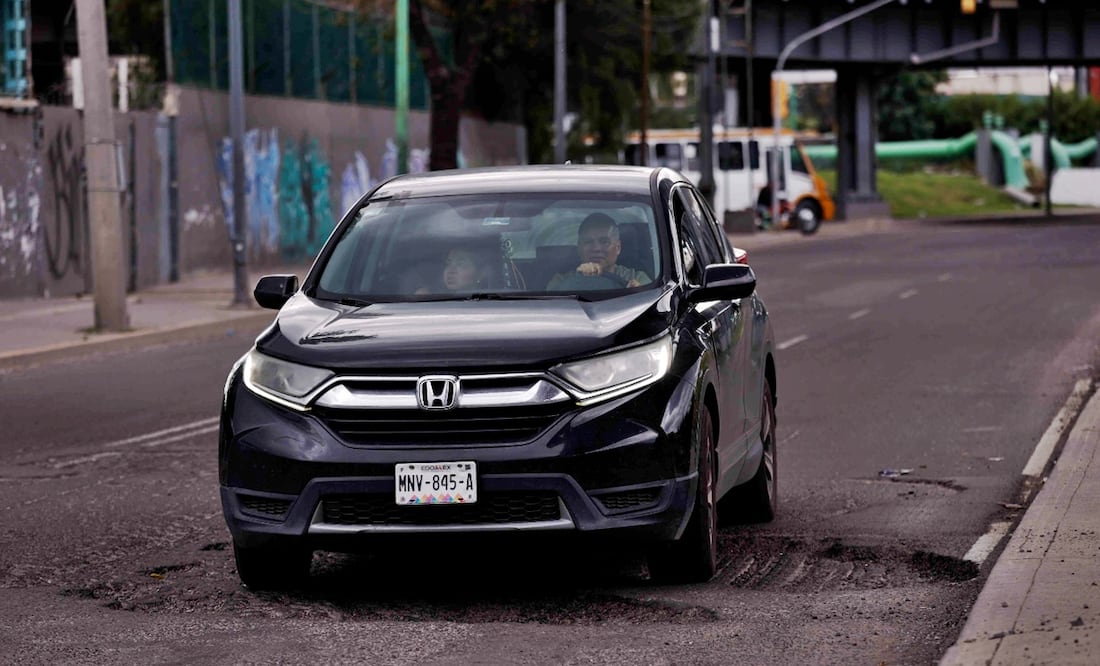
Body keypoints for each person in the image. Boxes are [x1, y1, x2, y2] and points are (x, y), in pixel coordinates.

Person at [546, 213, 651, 289]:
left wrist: (637, 292)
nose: (596, 248)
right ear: (579, 248)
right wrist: (579, 277)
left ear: (618, 247)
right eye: (588, 242)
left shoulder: (636, 278)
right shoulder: (561, 281)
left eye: (604, 242)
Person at [415, 246, 486, 294]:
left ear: (480, 274)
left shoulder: (491, 304)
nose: (451, 270)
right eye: (448, 264)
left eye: (460, 264)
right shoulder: (428, 296)